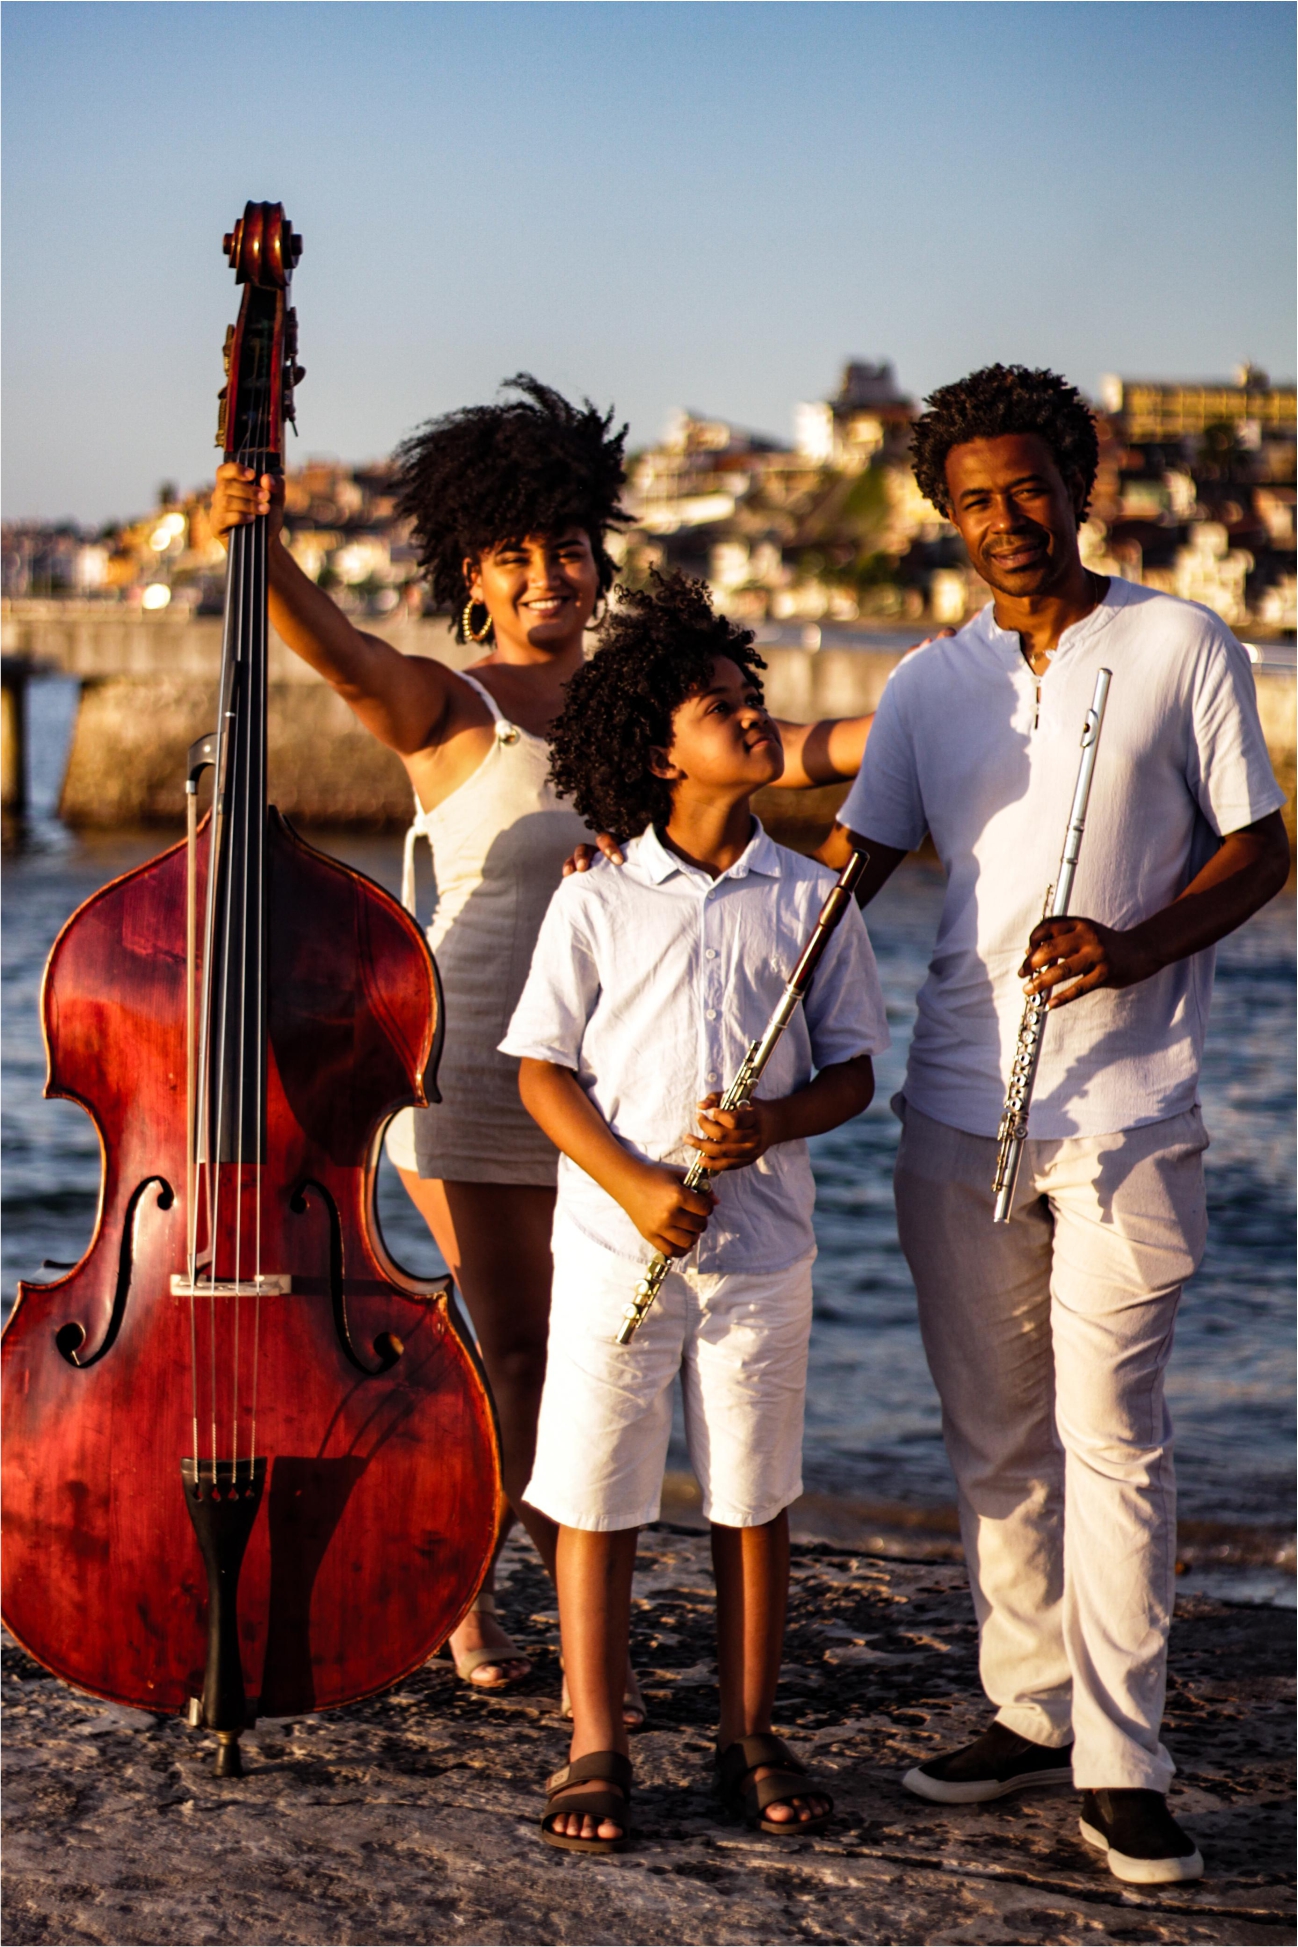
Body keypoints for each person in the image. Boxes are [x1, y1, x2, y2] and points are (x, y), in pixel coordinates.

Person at [211, 377, 877, 1700]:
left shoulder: (649, 716)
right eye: (513, 555)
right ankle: (499, 1607)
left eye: (565, 547)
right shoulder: (449, 706)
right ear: (471, 574)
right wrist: (256, 540)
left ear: (597, 555)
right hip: (469, 1068)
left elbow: (805, 748)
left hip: (619, 1083)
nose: (545, 576)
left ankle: (528, 1588)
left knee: (592, 1352)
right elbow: (337, 652)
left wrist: (955, 690)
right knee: (518, 1347)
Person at [815, 364, 1289, 1885]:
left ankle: (1122, 1759)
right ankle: (1030, 1706)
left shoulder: (1179, 641)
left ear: (1079, 486)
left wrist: (1134, 946)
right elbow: (842, 875)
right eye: (972, 500)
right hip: (954, 1110)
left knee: (1113, 1435)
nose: (1003, 518)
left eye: (1027, 487)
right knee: (994, 1438)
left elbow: (1259, 848)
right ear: (943, 517)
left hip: (1130, 1114)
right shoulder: (923, 687)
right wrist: (653, 868)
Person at [500, 574, 889, 1851]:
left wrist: (771, 1123)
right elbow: (541, 1073)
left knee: (751, 1494)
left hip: (761, 1251)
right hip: (613, 1247)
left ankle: (747, 1732)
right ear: (658, 752)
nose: (752, 714)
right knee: (596, 1492)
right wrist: (633, 1183)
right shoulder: (597, 893)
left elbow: (852, 1072)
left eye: (747, 694)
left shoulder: (810, 898)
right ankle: (594, 1740)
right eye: (718, 706)